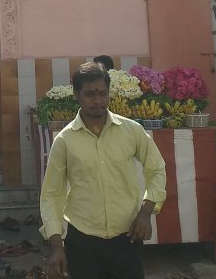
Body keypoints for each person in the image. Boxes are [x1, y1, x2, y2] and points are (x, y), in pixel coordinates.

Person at [40, 62, 167, 279]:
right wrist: (56, 245)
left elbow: (157, 170)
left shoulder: (132, 131)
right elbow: (51, 195)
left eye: (102, 93)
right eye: (90, 94)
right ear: (76, 95)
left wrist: (146, 212)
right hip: (83, 243)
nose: (97, 100)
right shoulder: (64, 141)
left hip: (127, 239)